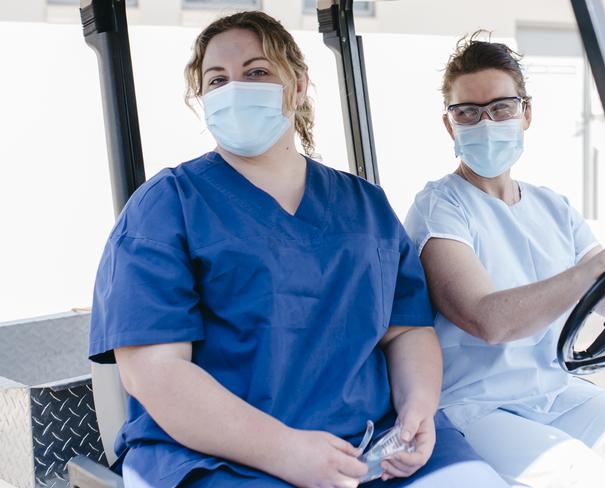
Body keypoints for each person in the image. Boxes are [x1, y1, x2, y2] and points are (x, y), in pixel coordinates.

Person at [89, 13, 508, 488]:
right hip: (213, 457)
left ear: (299, 85)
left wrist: (417, 409)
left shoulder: (364, 205)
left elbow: (406, 331)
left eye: (257, 72)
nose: (236, 88)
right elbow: (155, 373)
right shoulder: (167, 206)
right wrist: (285, 450)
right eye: (217, 79)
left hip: (372, 446)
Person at [404, 31, 605, 488]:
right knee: (586, 478)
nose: (485, 122)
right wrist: (593, 268)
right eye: (468, 113)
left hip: (554, 391)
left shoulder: (552, 206)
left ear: (525, 113)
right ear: (449, 124)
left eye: (500, 108)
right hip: (475, 404)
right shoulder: (441, 207)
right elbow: (487, 320)